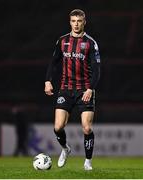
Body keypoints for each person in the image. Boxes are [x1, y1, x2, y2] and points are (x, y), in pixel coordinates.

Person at [44, 9, 100, 170]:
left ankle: (88, 161)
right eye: (73, 21)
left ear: (84, 22)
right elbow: (53, 62)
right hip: (66, 89)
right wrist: (48, 81)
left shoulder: (90, 43)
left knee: (87, 127)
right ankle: (65, 149)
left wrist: (90, 89)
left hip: (84, 90)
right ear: (70, 22)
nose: (76, 24)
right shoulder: (62, 41)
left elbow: (97, 70)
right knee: (58, 127)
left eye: (79, 21)